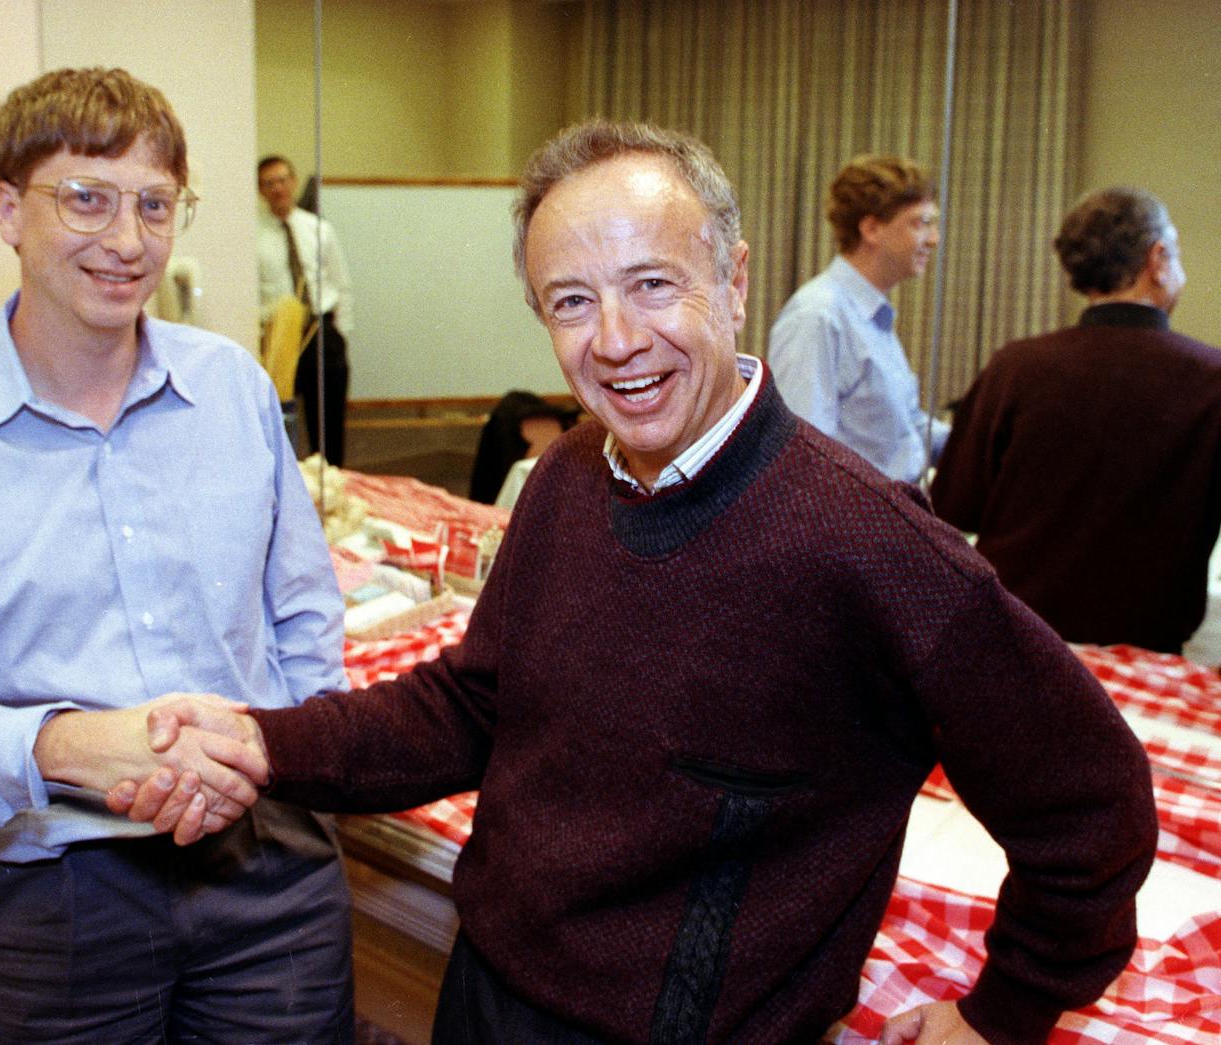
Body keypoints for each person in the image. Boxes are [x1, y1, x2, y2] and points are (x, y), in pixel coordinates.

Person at [118, 122, 1157, 1044]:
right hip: (486, 990)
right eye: (572, 301)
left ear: (734, 279)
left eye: (652, 284)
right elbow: (473, 702)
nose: (614, 340)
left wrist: (1003, 1010)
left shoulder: (870, 543)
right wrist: (264, 740)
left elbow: (1090, 804)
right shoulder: (569, 474)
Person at [0, 68, 353, 1043]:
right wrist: (61, 746)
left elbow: (301, 612)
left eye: (154, 204)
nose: (128, 242)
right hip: (42, 892)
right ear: (7, 208)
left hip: (268, 868)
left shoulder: (230, 389)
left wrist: (282, 756)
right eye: (86, 199)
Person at [931, 187, 1221, 653]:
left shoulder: (1016, 367)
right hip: (1144, 652)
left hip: (1014, 641)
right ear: (1158, 258)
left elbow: (953, 506)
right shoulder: (1212, 381)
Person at [769, 155, 948, 483]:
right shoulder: (817, 317)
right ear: (871, 229)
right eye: (921, 223)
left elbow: (908, 428)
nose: (934, 239)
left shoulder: (870, 317)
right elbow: (801, 460)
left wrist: (985, 442)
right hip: (856, 529)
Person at [258, 154, 355, 465]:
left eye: (282, 180)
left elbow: (342, 284)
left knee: (329, 425)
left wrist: (341, 333)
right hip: (280, 335)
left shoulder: (319, 229)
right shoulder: (254, 238)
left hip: (322, 331)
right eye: (269, 183)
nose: (278, 188)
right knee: (281, 421)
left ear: (294, 182)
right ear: (261, 191)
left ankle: (332, 486)